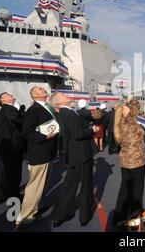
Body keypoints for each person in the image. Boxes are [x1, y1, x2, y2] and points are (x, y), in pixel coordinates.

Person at [50, 92, 99, 227]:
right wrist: (92, 130)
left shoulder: (64, 113)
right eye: (61, 95)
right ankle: (85, 216)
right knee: (86, 185)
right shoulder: (69, 113)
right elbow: (78, 134)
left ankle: (61, 215)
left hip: (73, 154)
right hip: (82, 154)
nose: (65, 95)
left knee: (69, 186)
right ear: (59, 103)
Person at [15, 86, 59, 227]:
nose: (43, 89)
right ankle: (25, 216)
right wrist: (45, 136)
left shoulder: (46, 107)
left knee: (43, 184)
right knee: (35, 186)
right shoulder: (34, 109)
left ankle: (37, 207)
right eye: (39, 89)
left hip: (48, 152)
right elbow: (27, 131)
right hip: (39, 152)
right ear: (34, 95)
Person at [112, 99, 145, 228]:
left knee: (125, 191)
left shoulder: (119, 124)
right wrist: (130, 101)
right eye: (126, 107)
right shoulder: (128, 121)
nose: (129, 108)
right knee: (137, 194)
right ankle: (135, 224)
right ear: (123, 112)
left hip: (125, 161)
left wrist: (126, 105)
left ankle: (119, 219)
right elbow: (137, 106)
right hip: (137, 162)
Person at [0, 92, 26, 204]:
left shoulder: (4, 110)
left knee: (4, 171)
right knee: (14, 172)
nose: (10, 94)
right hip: (13, 146)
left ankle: (0, 195)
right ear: (3, 100)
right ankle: (13, 196)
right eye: (7, 94)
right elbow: (18, 122)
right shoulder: (9, 108)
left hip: (6, 145)